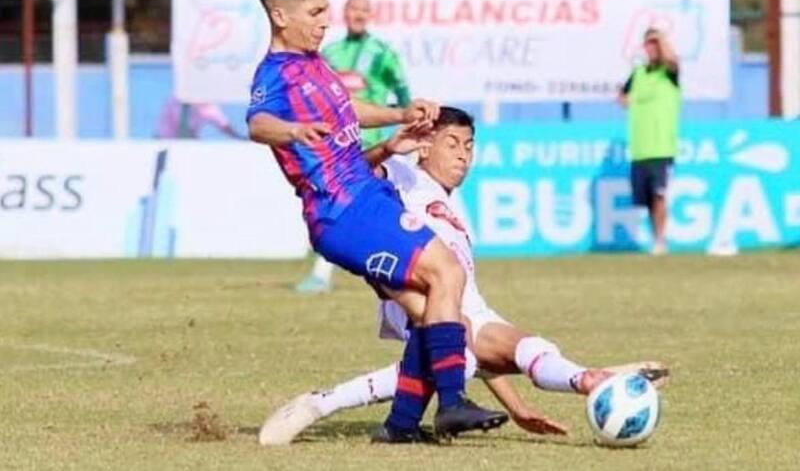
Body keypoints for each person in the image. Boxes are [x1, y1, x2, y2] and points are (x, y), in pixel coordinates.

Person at [258, 108, 669, 445]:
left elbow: (471, 331)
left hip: (463, 308)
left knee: (523, 347)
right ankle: (322, 403)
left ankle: (589, 381)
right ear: (424, 147)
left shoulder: (453, 207)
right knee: (465, 354)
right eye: (451, 144)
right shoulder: (404, 175)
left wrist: (517, 408)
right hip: (416, 293)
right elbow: (343, 182)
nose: (463, 155)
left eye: (469, 146)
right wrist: (386, 149)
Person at [246, 0, 506, 443]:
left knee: (431, 306)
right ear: (281, 16)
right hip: (345, 211)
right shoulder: (275, 72)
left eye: (328, 10)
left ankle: (401, 425)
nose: (327, 21)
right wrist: (293, 130)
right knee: (448, 273)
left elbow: (348, 111)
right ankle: (451, 402)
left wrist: (398, 119)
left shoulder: (315, 63)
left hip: (367, 195)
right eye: (317, 11)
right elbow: (258, 123)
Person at [296, 0, 412, 294]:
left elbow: (403, 93)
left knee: (382, 205)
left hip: (374, 142)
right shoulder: (329, 53)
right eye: (352, 9)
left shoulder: (383, 53)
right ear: (344, 15)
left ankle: (404, 264)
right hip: (338, 143)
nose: (358, 15)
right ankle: (323, 274)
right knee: (337, 201)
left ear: (370, 14)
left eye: (363, 9)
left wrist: (410, 123)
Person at [619, 28, 681, 256]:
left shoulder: (668, 73)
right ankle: (656, 237)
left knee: (659, 195)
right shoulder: (638, 74)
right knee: (645, 201)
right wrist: (625, 100)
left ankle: (660, 241)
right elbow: (622, 96)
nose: (652, 48)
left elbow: (674, 61)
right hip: (640, 148)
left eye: (655, 44)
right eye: (648, 44)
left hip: (661, 146)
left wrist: (662, 42)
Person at [156, 96, 244, 139]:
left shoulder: (206, 105)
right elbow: (181, 124)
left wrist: (240, 138)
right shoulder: (176, 99)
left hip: (187, 143)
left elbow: (224, 125)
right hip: (165, 141)